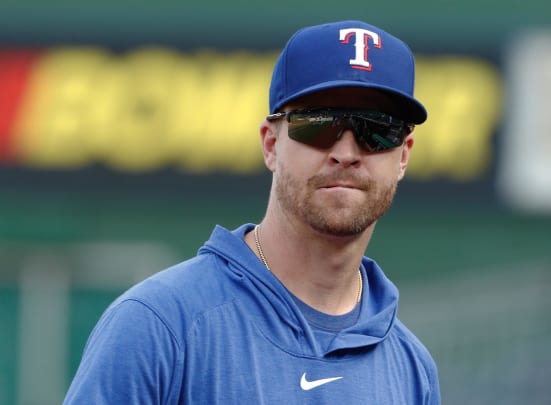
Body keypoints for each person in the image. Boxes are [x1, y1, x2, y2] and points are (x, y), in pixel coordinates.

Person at [64, 20, 440, 404]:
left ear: (403, 155)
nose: (346, 153)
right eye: (319, 124)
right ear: (271, 144)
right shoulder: (159, 324)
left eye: (378, 130)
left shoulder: (411, 369)